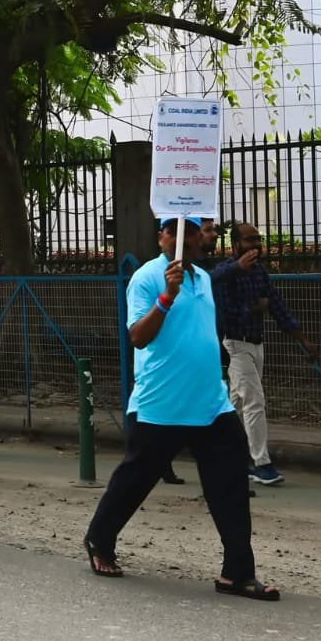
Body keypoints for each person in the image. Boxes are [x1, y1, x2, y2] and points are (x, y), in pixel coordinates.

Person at [84, 216, 278, 598]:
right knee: (135, 480)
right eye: (180, 232)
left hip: (210, 404)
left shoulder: (202, 278)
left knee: (230, 484)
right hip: (162, 405)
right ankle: (99, 540)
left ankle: (237, 572)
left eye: (195, 231)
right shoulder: (147, 278)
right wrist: (166, 297)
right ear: (163, 237)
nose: (191, 238)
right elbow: (138, 337)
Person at [213, 222, 317, 487]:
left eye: (258, 240)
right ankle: (261, 463)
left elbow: (278, 307)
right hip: (235, 345)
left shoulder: (259, 272)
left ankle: (229, 455)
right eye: (250, 240)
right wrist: (255, 306)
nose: (256, 245)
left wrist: (303, 339)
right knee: (254, 401)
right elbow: (226, 306)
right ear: (236, 245)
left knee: (237, 404)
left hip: (256, 344)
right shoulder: (226, 273)